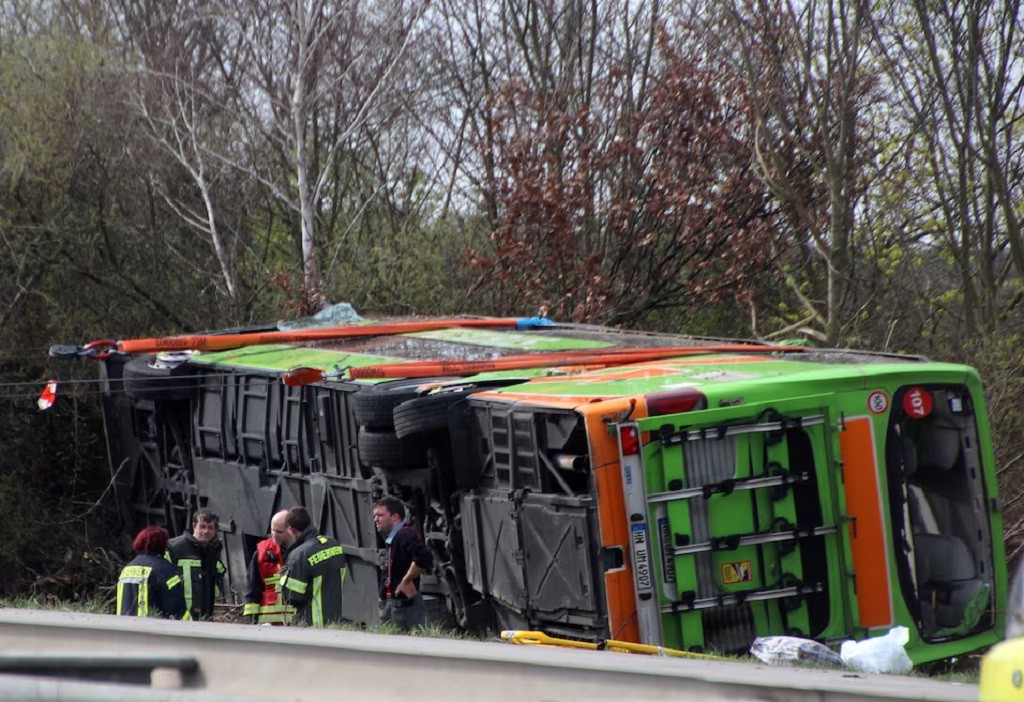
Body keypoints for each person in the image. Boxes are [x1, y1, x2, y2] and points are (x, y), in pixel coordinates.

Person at [277, 506, 347, 627]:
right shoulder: (334, 545)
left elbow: (292, 597)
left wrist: (284, 575)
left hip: (313, 625)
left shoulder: (299, 555)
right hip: (335, 622)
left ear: (292, 530)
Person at [372, 496, 433, 630]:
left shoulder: (404, 535)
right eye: (375, 516)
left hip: (407, 609)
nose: (376, 519)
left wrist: (407, 579)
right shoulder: (393, 538)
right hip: (394, 606)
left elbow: (425, 556)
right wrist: (382, 600)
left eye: (380, 515)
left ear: (395, 517)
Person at [166, 508, 226, 621]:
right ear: (194, 526)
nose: (206, 531)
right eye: (202, 526)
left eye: (210, 528)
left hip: (205, 615)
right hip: (179, 615)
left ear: (215, 531)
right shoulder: (175, 548)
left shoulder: (212, 551)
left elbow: (218, 577)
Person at [116, 525, 186, 619]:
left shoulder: (127, 569)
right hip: (153, 629)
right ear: (162, 544)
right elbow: (177, 608)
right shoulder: (166, 570)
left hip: (125, 628)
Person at [243, 510, 293, 625]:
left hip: (296, 623)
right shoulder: (262, 553)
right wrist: (251, 621)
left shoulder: (302, 552)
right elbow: (252, 589)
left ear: (291, 530)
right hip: (267, 624)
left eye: (279, 531)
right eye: (272, 530)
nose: (274, 534)